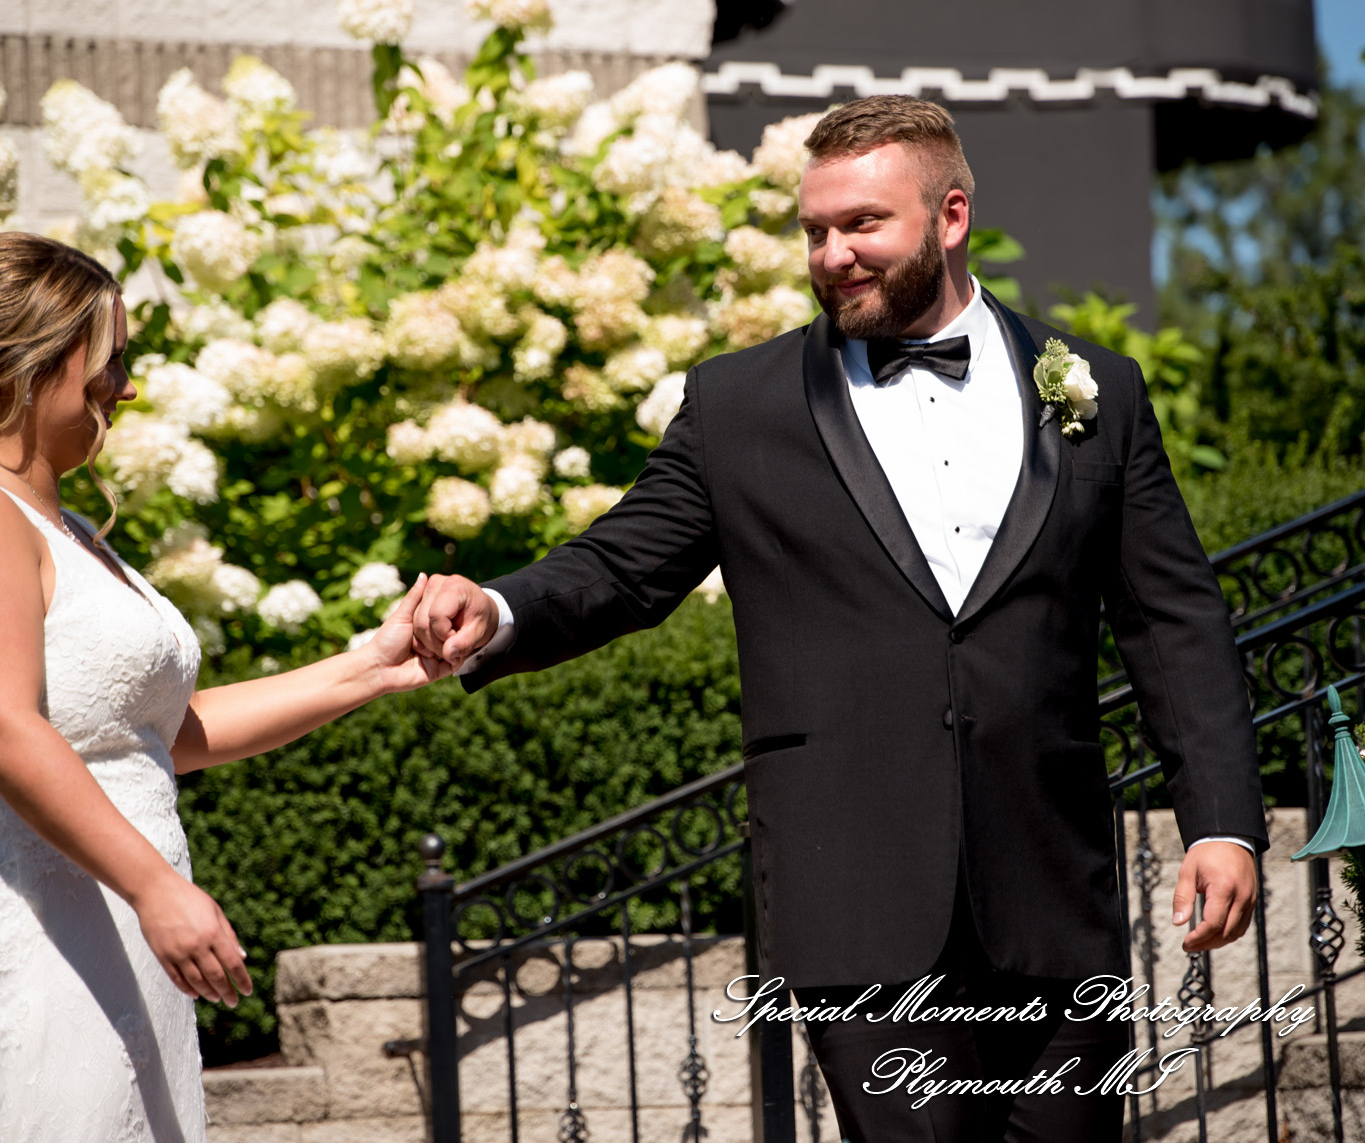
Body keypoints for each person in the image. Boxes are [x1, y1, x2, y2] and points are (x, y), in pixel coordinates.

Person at [408, 97, 1268, 1140]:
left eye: (863, 225)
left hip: (1051, 892)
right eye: (815, 230)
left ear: (950, 218)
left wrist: (1221, 820)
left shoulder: (1100, 394)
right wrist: (496, 607)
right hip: (853, 892)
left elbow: (1173, 621)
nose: (832, 254)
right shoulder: (739, 406)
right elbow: (624, 567)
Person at [0, 232, 449, 1142]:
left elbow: (156, 735)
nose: (126, 386)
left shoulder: (65, 530)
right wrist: (155, 888)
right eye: (111, 359)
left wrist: (370, 667)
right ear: (33, 364)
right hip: (39, 958)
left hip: (119, 950)